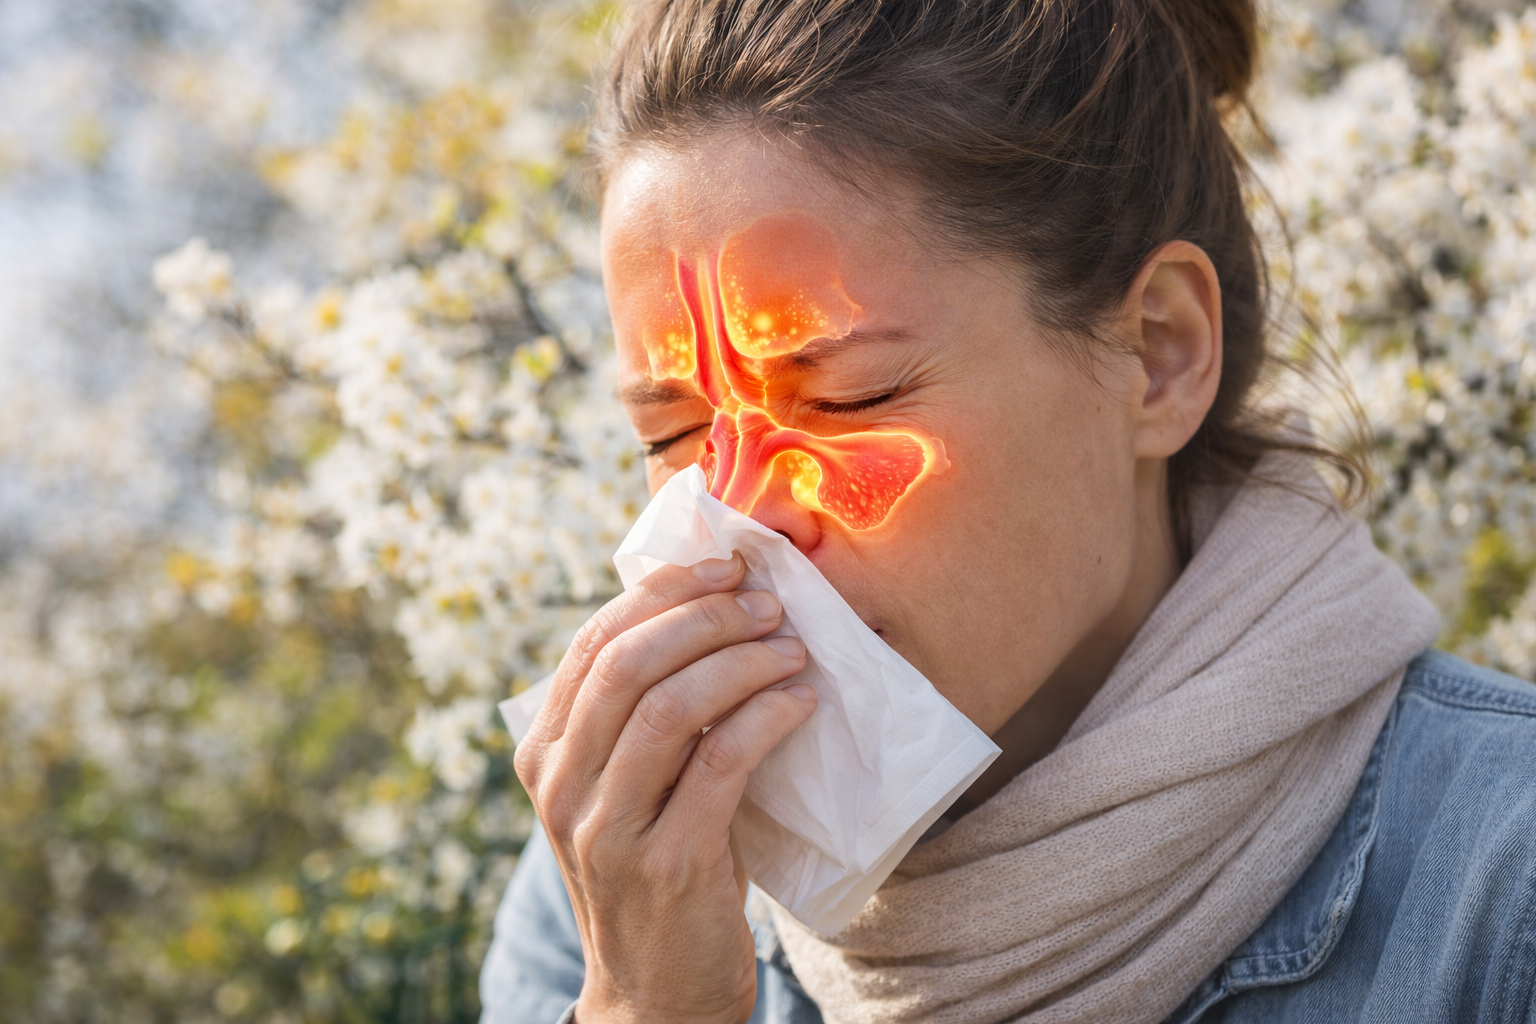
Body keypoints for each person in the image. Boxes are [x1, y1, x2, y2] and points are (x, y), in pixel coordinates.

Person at [480, 1, 1536, 1021]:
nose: (745, 514)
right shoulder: (620, 875)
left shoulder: (1499, 896)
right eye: (673, 435)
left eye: (853, 395)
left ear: (1158, 352)